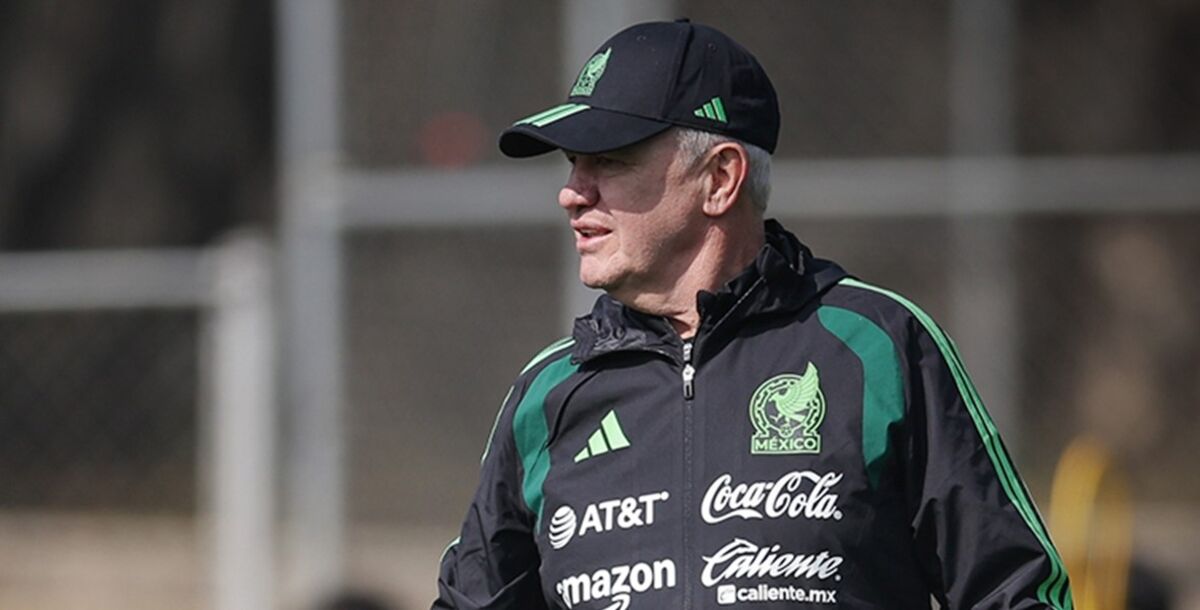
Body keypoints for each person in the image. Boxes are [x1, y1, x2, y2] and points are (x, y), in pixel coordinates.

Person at [433, 19, 1073, 610]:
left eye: (610, 160)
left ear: (720, 179)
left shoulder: (880, 347)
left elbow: (1014, 593)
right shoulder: (547, 394)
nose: (573, 192)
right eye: (574, 164)